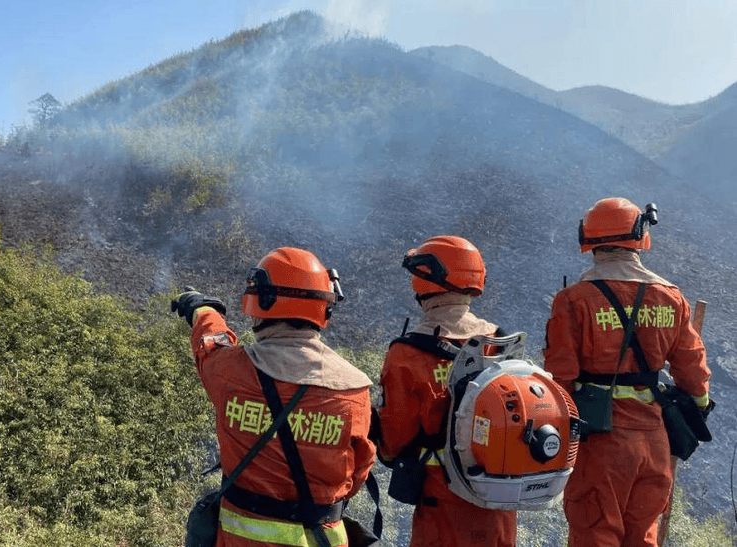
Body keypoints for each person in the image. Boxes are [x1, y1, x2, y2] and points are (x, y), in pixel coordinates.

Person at [172, 246, 376, 547]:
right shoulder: (355, 391)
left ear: (263, 302)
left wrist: (203, 310)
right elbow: (358, 471)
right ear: (325, 307)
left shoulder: (231, 372)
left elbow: (210, 346)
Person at [543, 197, 712, 547]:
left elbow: (561, 378)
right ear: (639, 237)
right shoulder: (671, 298)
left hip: (601, 441)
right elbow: (693, 373)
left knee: (596, 533)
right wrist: (699, 404)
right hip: (655, 440)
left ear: (588, 241)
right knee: (643, 537)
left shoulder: (574, 300)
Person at [373, 235, 517, 547]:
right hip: (500, 504)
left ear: (426, 280)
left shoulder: (407, 353)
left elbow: (394, 444)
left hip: (443, 505)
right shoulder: (499, 341)